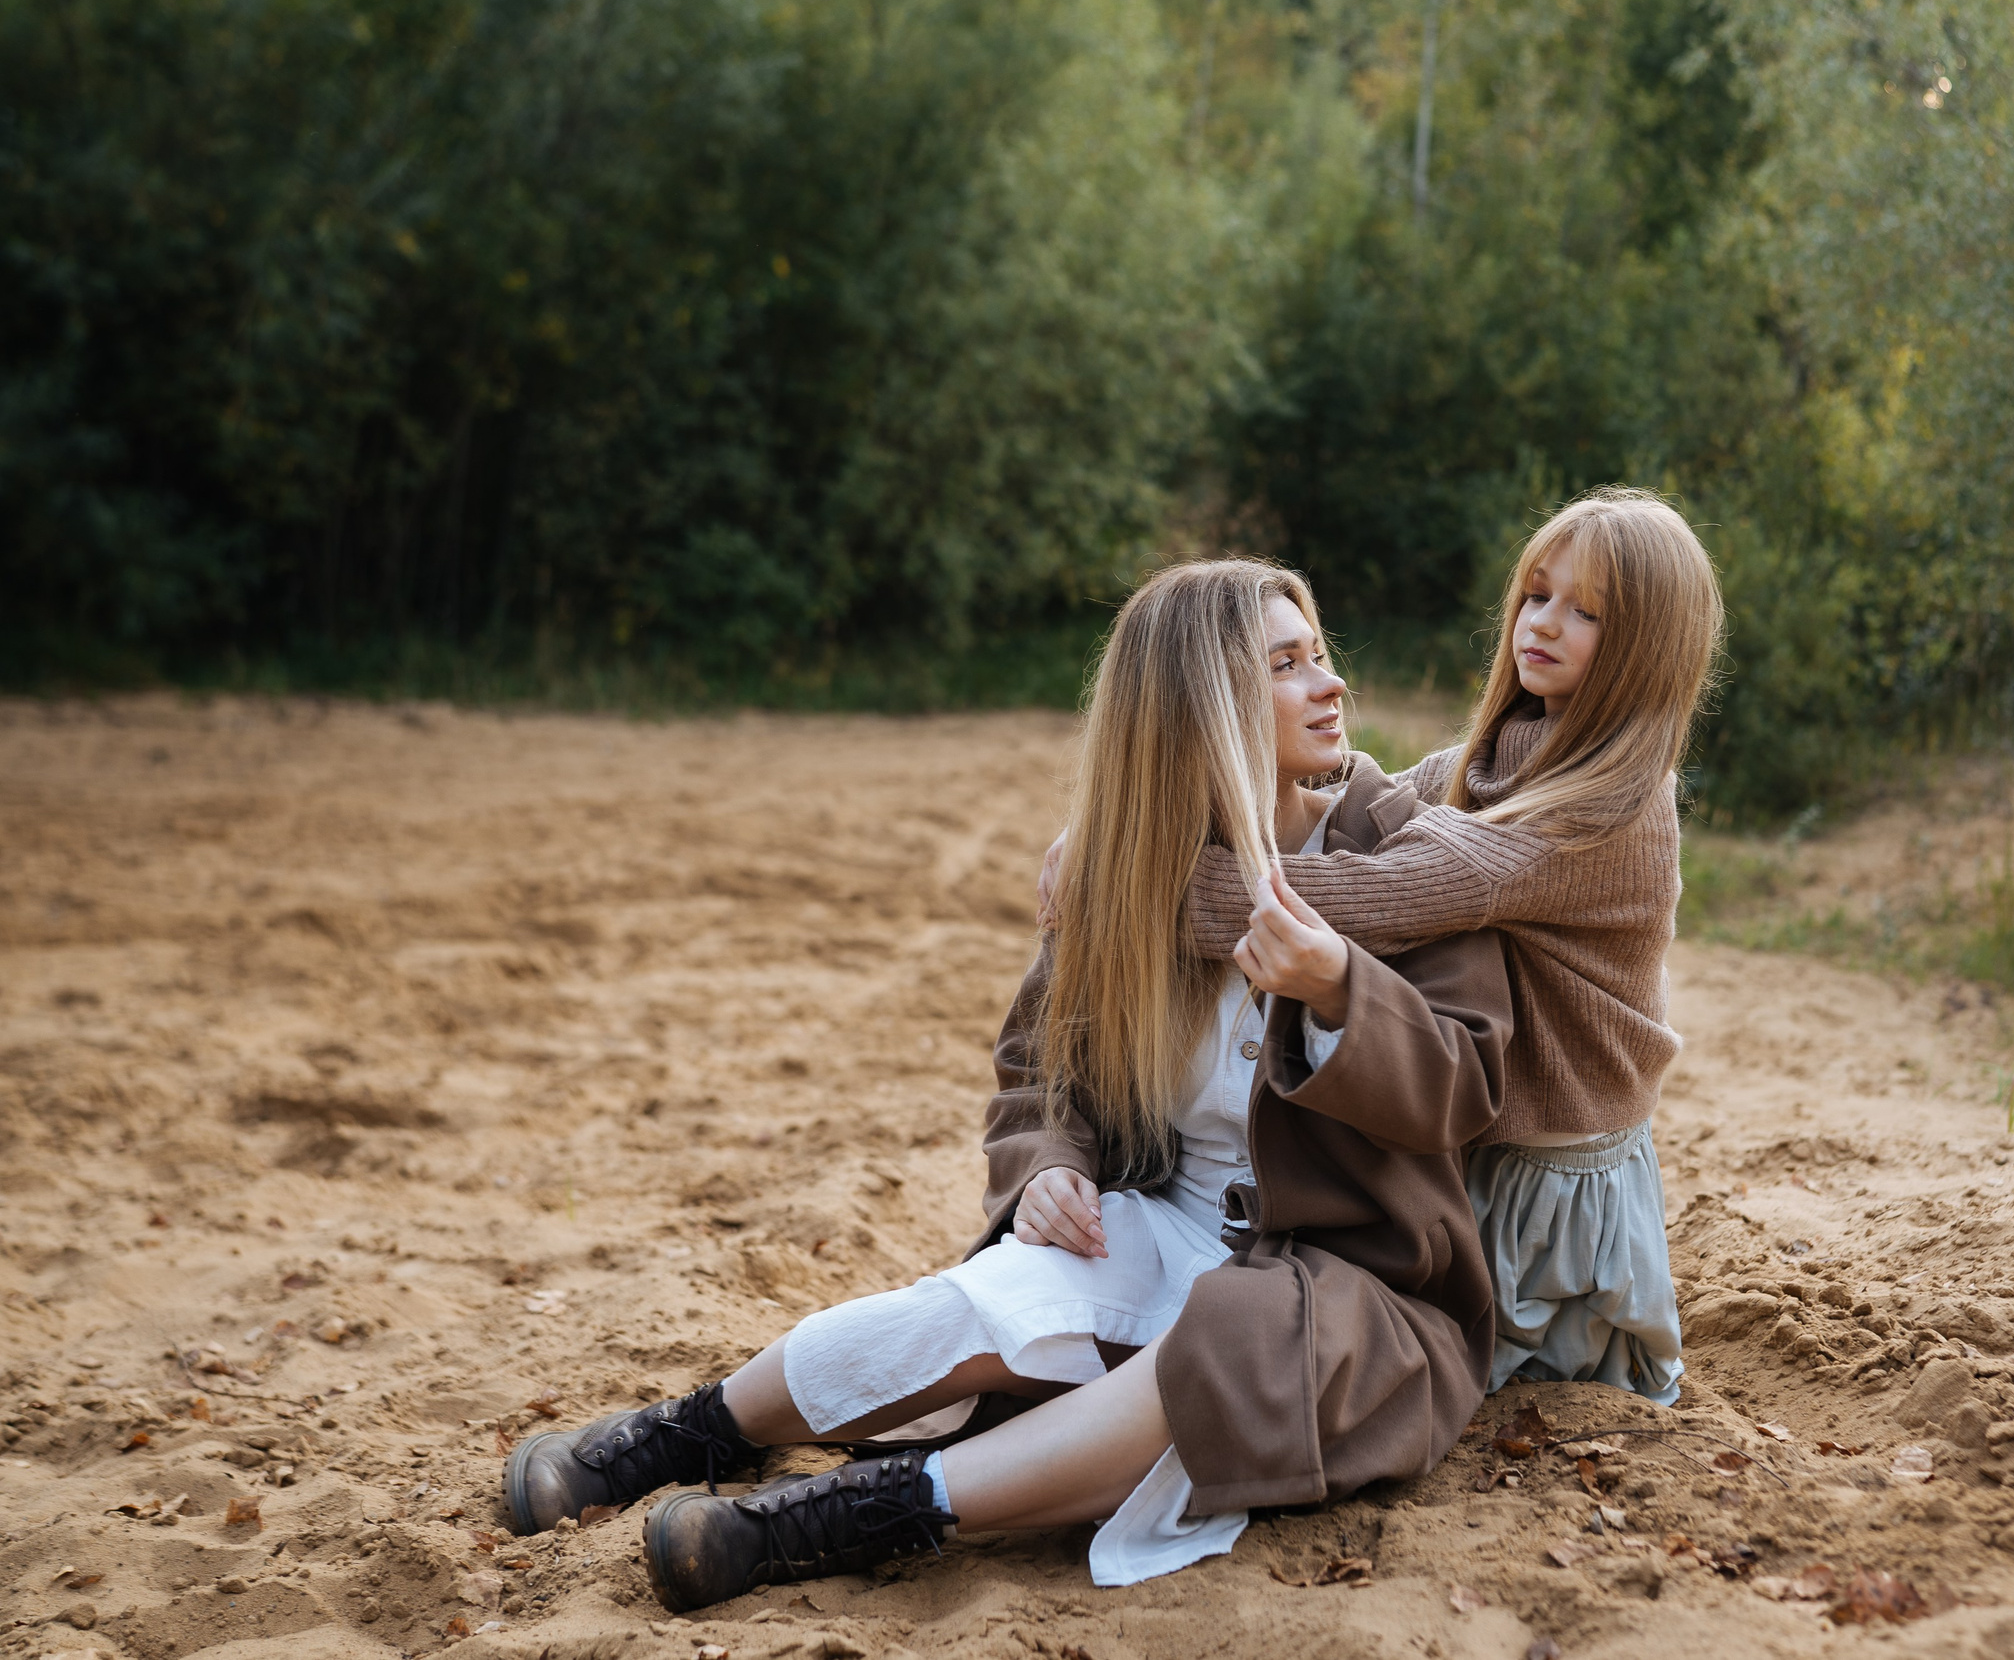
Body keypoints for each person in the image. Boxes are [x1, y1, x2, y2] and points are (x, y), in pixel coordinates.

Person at [501, 559, 1512, 1612]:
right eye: (1289, 666)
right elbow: (1041, 1065)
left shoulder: (1402, 852)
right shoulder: (1123, 873)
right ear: (1199, 712)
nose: (1330, 684)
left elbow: (1470, 1083)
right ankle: (683, 1434)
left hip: (1351, 1286)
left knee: (1228, 1338)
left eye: (1320, 656)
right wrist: (1048, 1170)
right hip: (1164, 1225)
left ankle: (836, 1518)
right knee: (982, 1300)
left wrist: (1343, 986)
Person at [1171, 488, 1720, 1405]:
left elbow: (1375, 893)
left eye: (1587, 612)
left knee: (1492, 1386)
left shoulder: (1603, 812)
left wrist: (1143, 888)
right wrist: (1148, 816)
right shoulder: (1515, 747)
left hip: (1554, 1177)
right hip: (1490, 1146)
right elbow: (1378, 789)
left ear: (1647, 648)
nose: (1542, 623)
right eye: (1539, 592)